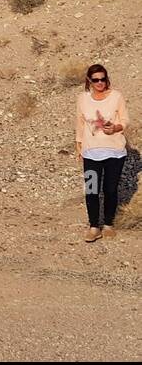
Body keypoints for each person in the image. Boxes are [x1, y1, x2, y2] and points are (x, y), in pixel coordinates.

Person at [75, 65, 130, 242]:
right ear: (89, 81)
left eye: (103, 79)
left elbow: (125, 120)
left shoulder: (116, 97)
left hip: (114, 152)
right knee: (91, 190)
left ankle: (108, 224)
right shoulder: (83, 99)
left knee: (110, 189)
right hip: (91, 153)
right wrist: (78, 145)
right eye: (96, 80)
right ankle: (93, 226)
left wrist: (116, 127)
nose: (100, 83)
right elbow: (80, 123)